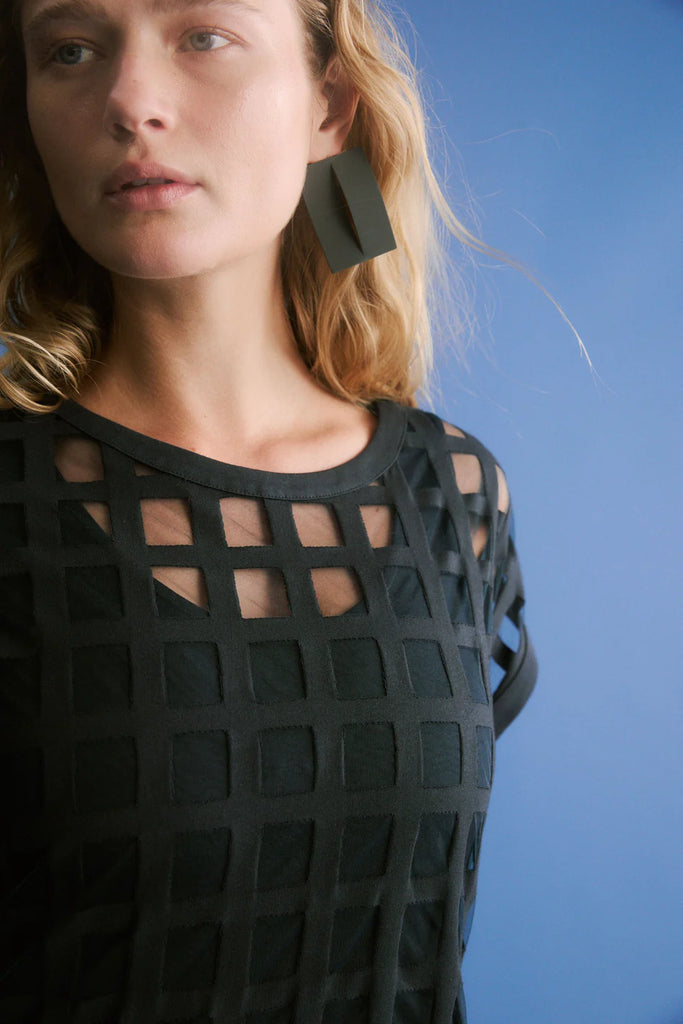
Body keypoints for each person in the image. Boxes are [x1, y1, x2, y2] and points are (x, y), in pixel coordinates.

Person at [0, 0, 537, 1020]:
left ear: (328, 106)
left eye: (203, 36)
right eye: (69, 50)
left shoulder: (455, 492)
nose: (130, 100)